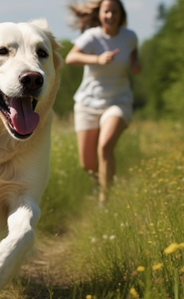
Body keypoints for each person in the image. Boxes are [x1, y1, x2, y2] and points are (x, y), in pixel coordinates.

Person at [65, 0, 141, 206]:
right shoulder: (92, 37)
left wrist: (135, 64)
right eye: (107, 11)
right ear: (100, 14)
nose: (110, 16)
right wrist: (97, 59)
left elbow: (134, 55)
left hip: (118, 101)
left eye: (114, 12)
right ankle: (98, 182)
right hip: (87, 102)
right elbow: (70, 58)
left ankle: (104, 201)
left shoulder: (130, 37)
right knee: (87, 164)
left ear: (120, 14)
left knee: (105, 146)